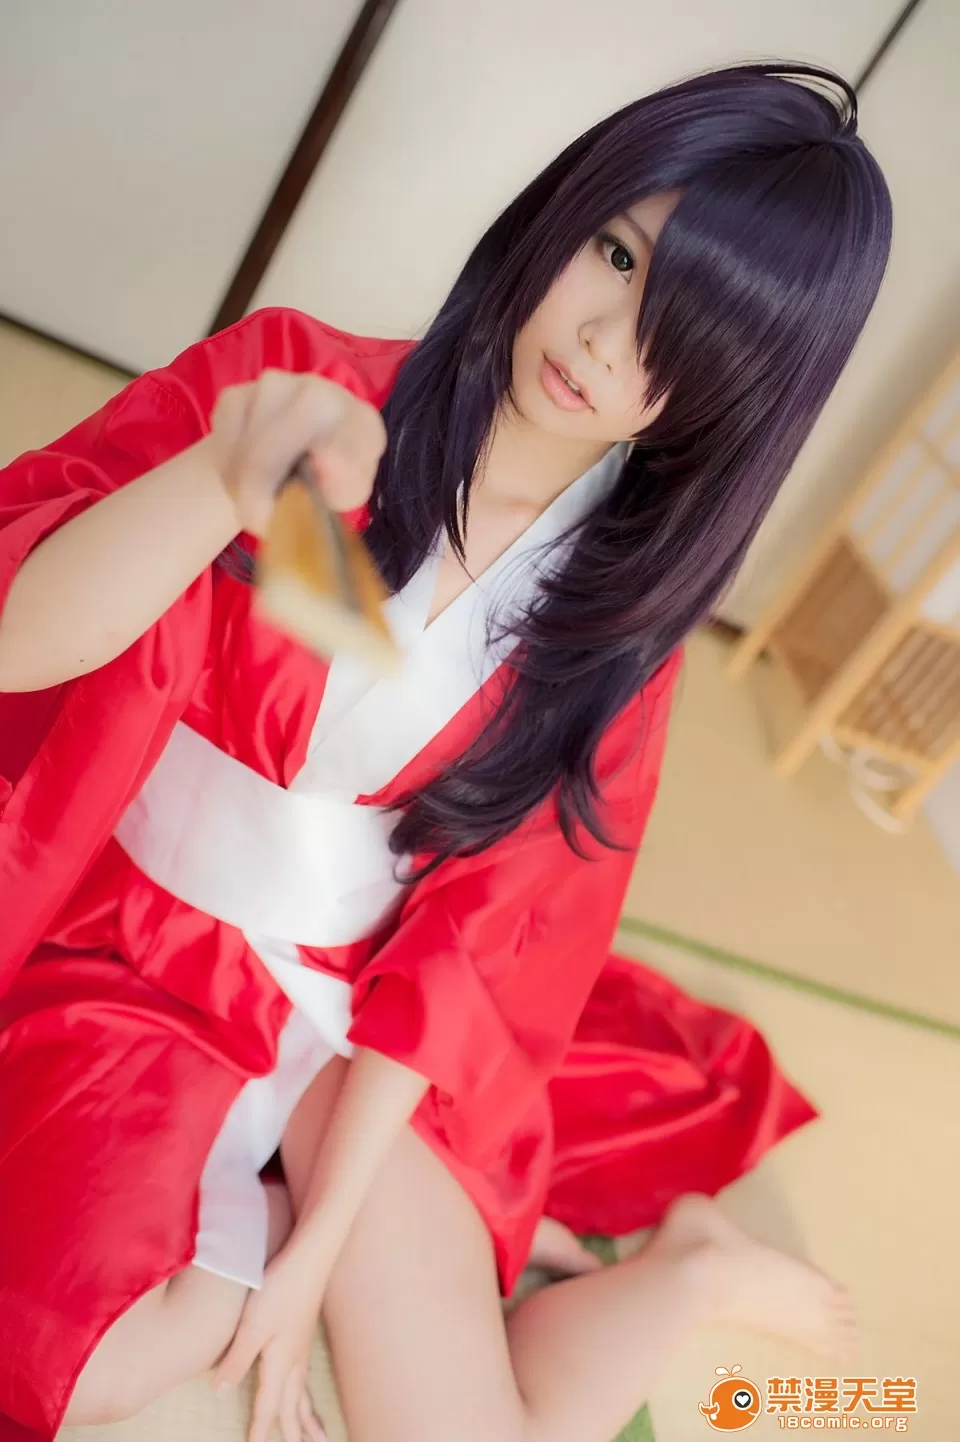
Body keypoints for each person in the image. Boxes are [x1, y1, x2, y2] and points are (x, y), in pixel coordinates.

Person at [0, 60, 889, 1442]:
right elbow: (19, 637)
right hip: (113, 926)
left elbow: (477, 955)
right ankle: (307, 1226)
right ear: (569, 208)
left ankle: (689, 1270)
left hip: (359, 1019)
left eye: (678, 333)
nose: (602, 342)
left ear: (728, 397)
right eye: (616, 255)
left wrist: (313, 1250)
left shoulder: (613, 636)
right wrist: (219, 482)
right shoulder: (298, 387)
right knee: (48, 1361)